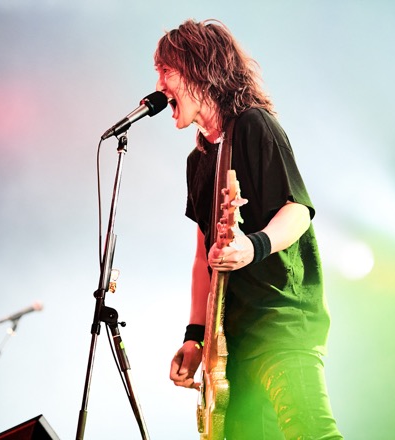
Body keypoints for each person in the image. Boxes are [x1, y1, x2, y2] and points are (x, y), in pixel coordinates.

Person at [155, 19, 343, 439]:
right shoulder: (198, 161)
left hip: (279, 322)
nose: (159, 85)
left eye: (166, 71)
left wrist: (252, 247)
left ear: (200, 69)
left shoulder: (255, 126)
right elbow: (203, 258)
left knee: (311, 432)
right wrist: (194, 337)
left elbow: (298, 210)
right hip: (230, 344)